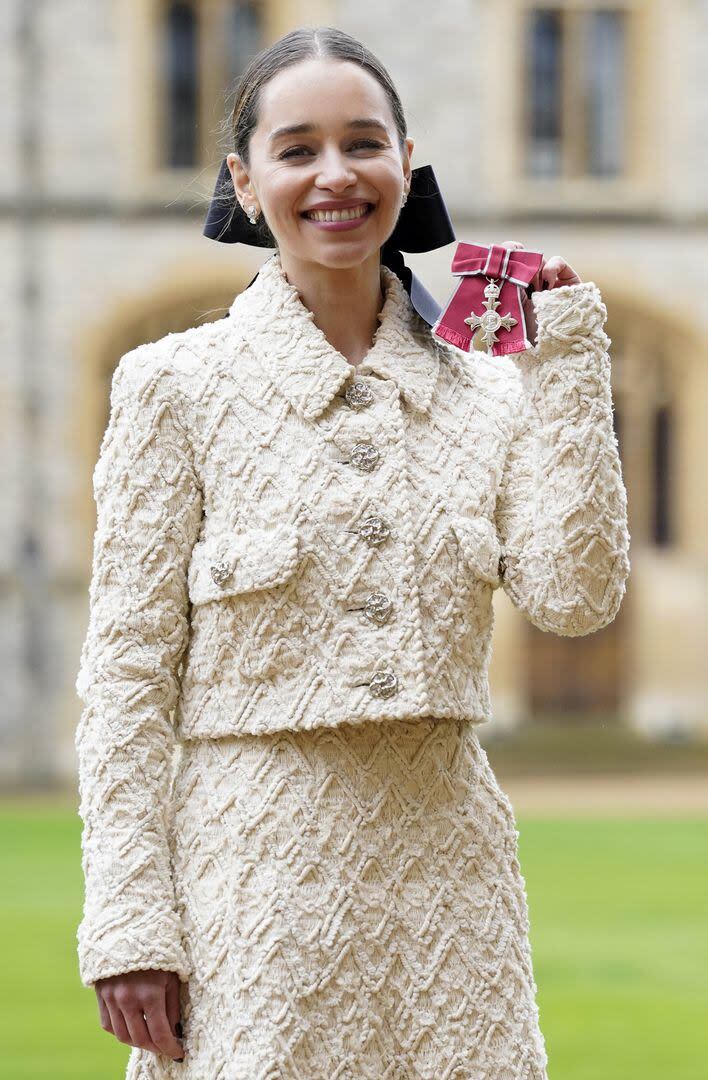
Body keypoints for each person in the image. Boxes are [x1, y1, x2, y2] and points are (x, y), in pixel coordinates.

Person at [74, 24, 630, 1079]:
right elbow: (126, 676)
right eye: (297, 150)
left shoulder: (491, 393)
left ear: (407, 165)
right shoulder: (172, 388)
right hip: (250, 883)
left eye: (364, 143)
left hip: (452, 884)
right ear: (244, 181)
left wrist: (570, 365)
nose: (336, 175)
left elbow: (574, 599)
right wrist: (132, 925)